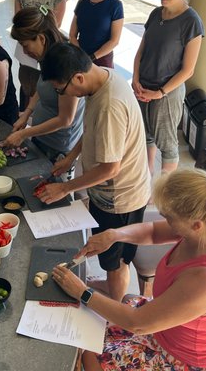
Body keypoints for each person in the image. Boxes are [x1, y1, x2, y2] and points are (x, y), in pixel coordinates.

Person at [52, 168, 206, 370]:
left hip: (184, 358)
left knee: (90, 353)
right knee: (91, 330)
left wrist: (83, 292)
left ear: (196, 225)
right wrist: (114, 235)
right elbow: (153, 232)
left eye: (169, 217)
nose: (164, 219)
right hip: (166, 328)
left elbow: (137, 323)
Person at [38, 43, 150, 303]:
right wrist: (71, 157)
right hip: (110, 192)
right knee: (108, 253)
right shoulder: (100, 79)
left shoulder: (109, 105)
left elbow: (111, 168)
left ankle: (113, 312)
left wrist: (66, 187)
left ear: (78, 77)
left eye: (61, 89)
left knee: (116, 261)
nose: (62, 94)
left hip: (121, 198)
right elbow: (91, 130)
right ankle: (111, 287)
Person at [133, 0, 203, 175]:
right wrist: (136, 79)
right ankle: (146, 179)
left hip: (167, 93)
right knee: (145, 136)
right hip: (143, 87)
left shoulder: (191, 22)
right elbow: (141, 51)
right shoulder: (156, 14)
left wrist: (160, 92)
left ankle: (166, 192)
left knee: (167, 143)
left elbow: (188, 70)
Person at [2, 7, 85, 165]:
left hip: (58, 146)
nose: (25, 52)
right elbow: (42, 87)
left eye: (25, 45)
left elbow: (65, 119)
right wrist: (27, 113)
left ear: (41, 38)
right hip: (42, 136)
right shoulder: (48, 56)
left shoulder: (66, 64)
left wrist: (24, 134)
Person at [13, 0, 69, 110]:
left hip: (48, 49)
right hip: (27, 48)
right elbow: (18, 18)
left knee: (46, 87)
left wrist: (38, 39)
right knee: (27, 86)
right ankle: (24, 115)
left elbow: (56, 24)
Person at [69, 0, 124, 69]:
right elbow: (72, 35)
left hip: (102, 62)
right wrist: (81, 55)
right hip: (80, 59)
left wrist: (92, 58)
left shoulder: (115, 5)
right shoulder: (82, 2)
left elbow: (114, 41)